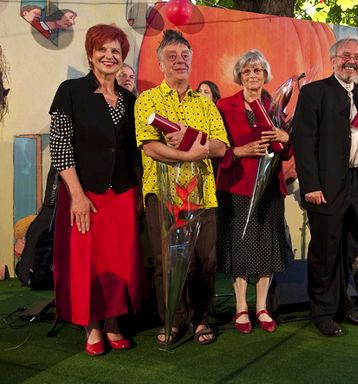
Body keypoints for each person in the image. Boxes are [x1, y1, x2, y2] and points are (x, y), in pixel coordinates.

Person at [49, 24, 144, 356]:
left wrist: (142, 190)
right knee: (88, 261)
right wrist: (76, 193)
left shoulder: (130, 99)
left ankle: (115, 323)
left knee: (120, 260)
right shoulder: (70, 91)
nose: (109, 55)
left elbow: (134, 151)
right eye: (102, 49)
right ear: (90, 54)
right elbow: (60, 145)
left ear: (122, 59)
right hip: (84, 193)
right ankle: (91, 326)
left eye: (116, 51)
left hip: (122, 193)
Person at [135, 29, 229, 345]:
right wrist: (187, 153)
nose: (180, 61)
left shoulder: (204, 104)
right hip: (162, 193)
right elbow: (149, 146)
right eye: (172, 57)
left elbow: (220, 146)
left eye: (185, 56)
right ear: (160, 63)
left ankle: (200, 320)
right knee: (167, 262)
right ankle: (172, 320)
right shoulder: (148, 100)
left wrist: (196, 140)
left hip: (202, 193)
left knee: (206, 261)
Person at [292, 38, 358, 337]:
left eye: (357, 57)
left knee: (349, 249)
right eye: (346, 55)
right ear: (333, 59)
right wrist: (310, 185)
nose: (352, 61)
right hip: (325, 186)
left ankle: (343, 305)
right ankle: (321, 311)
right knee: (325, 251)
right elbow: (303, 142)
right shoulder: (314, 92)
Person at [216, 49, 291, 334]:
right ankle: (240, 308)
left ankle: (261, 306)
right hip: (236, 185)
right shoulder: (224, 106)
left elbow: (285, 150)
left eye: (258, 70)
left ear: (265, 75)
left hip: (270, 187)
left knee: (266, 248)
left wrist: (286, 137)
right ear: (240, 76)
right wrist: (239, 151)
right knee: (240, 247)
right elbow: (215, 148)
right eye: (247, 71)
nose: (252, 76)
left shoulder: (275, 106)